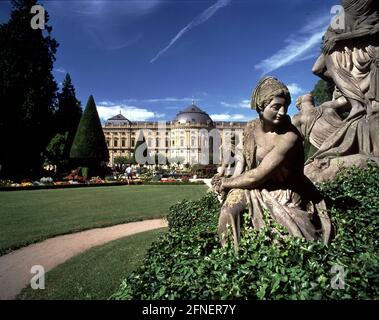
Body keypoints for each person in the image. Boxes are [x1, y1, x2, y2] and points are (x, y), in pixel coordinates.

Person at [212, 77, 331, 252]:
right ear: (261, 107)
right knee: (229, 210)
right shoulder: (251, 128)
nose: (282, 112)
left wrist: (224, 183)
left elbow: (257, 174)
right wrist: (229, 178)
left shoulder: (289, 137)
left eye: (285, 107)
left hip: (286, 192)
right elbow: (245, 163)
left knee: (296, 243)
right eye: (276, 107)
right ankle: (230, 258)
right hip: (254, 187)